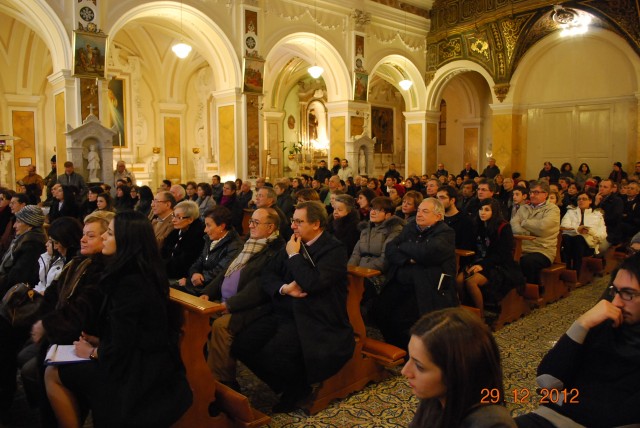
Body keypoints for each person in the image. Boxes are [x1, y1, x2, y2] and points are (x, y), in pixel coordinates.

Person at [44, 211, 192, 428]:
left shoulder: (130, 283)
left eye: (110, 234)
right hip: (141, 362)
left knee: (53, 372)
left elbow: (125, 344)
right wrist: (100, 341)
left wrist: (94, 352)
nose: (104, 237)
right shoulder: (138, 271)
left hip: (139, 375)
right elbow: (131, 332)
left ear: (126, 241)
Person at [232, 201, 354, 413]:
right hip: (284, 309)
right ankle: (290, 385)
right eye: (293, 221)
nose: (293, 226)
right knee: (242, 344)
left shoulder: (334, 249)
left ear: (316, 224)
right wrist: (284, 289)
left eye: (299, 221)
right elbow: (268, 274)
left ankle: (296, 389)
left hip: (315, 316)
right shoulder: (294, 242)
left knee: (274, 353)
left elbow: (313, 283)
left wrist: (294, 255)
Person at [514, 254, 640, 428]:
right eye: (615, 291)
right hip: (550, 418)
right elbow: (547, 381)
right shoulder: (605, 322)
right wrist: (582, 323)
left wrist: (561, 399)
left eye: (628, 294)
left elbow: (616, 416)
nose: (616, 302)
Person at [199, 208, 284, 390]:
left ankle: (222, 383)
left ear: (270, 227)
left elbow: (259, 288)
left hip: (254, 307)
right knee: (195, 319)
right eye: (250, 221)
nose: (250, 225)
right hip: (226, 301)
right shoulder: (251, 243)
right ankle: (199, 370)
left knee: (221, 326)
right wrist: (207, 293)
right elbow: (226, 272)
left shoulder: (275, 250)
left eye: (255, 222)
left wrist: (229, 305)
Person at [403, 308, 516, 428]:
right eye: (410, 359)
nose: (405, 371)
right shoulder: (436, 397)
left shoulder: (490, 424)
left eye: (419, 366)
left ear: (457, 373)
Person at [373, 198, 458, 350]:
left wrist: (404, 247)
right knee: (378, 311)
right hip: (399, 280)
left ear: (438, 216)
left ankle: (410, 351)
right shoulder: (411, 226)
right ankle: (397, 347)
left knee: (407, 318)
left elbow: (427, 253)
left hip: (426, 285)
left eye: (425, 211)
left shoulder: (445, 232)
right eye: (419, 210)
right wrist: (408, 260)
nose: (419, 214)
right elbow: (391, 248)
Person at [459, 199, 524, 317]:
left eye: (487, 210)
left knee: (471, 282)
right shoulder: (477, 224)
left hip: (498, 265)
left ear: (494, 212)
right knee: (458, 280)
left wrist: (482, 265)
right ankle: (466, 312)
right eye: (481, 209)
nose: (482, 212)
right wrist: (470, 263)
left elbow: (502, 254)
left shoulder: (503, 227)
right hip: (478, 261)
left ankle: (480, 315)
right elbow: (473, 248)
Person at [182, 205, 243, 296]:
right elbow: (199, 261)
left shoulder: (235, 245)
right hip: (199, 283)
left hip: (211, 290)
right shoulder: (210, 238)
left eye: (208, 225)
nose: (205, 230)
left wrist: (191, 281)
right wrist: (194, 273)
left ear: (222, 226)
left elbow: (220, 272)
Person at [510, 181, 560, 285]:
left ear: (545, 194)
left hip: (543, 250)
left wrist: (524, 222)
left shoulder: (553, 210)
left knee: (528, 262)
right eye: (531, 192)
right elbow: (513, 225)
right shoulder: (524, 208)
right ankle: (513, 290)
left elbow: (543, 228)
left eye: (536, 192)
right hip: (521, 248)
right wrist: (529, 233)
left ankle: (534, 289)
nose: (532, 195)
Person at [0, 205, 46, 295]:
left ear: (30, 225)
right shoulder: (22, 240)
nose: (14, 226)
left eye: (18, 222)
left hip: (14, 293)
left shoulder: (32, 245)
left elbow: (16, 277)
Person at [560, 191, 606, 274]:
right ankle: (567, 270)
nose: (581, 201)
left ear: (590, 201)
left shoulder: (597, 215)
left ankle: (575, 272)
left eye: (584, 199)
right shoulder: (570, 212)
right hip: (570, 241)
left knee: (579, 238)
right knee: (566, 238)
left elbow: (602, 234)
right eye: (579, 199)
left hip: (588, 245)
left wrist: (590, 231)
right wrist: (577, 229)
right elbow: (564, 226)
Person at [161, 200, 205, 285]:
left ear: (190, 220)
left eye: (178, 217)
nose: (173, 220)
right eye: (173, 216)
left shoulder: (198, 237)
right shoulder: (175, 232)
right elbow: (163, 252)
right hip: (166, 272)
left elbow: (185, 264)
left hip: (182, 277)